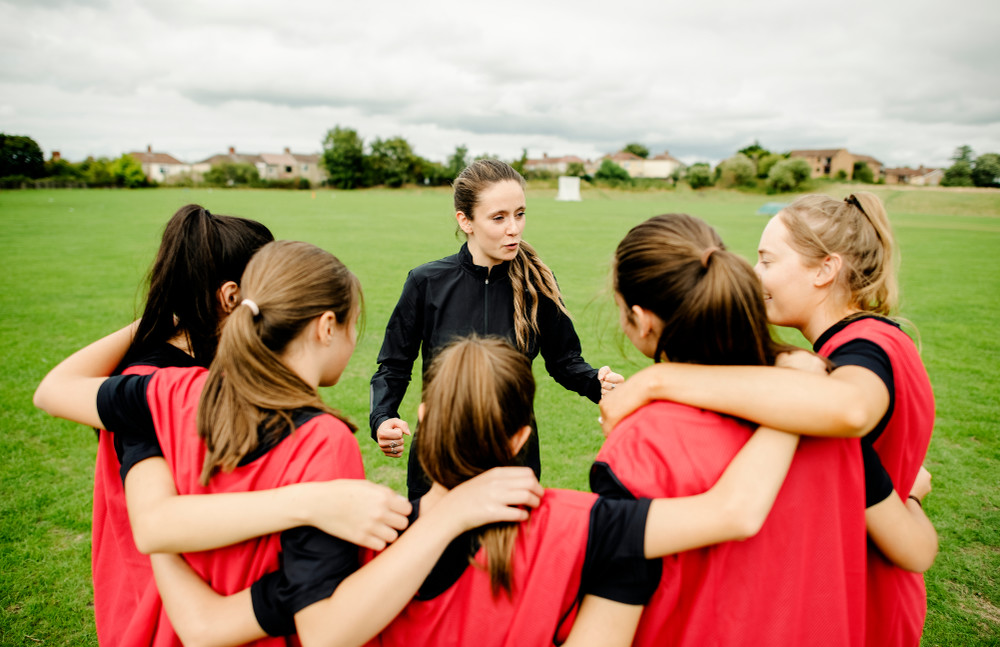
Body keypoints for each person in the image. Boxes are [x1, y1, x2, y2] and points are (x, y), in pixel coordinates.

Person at [144, 335, 803, 647]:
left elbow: (208, 625)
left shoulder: (354, 532)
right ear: (521, 438)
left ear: (424, 419)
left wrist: (151, 504)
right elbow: (735, 511)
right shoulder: (595, 528)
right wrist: (792, 395)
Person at [35, 241, 541, 647]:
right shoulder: (323, 441)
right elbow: (324, 627)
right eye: (351, 326)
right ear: (326, 327)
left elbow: (55, 390)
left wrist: (164, 318)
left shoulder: (166, 389)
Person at [598, 197, 936, 646]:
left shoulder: (850, 363)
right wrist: (904, 487)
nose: (753, 275)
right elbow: (908, 528)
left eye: (767, 259)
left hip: (857, 597)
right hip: (839, 600)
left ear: (825, 270)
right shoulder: (847, 358)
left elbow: (849, 410)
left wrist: (659, 380)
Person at [369, 158, 623, 498]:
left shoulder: (538, 285)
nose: (514, 228)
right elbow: (394, 365)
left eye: (520, 214)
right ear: (466, 220)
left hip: (514, 458)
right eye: (499, 217)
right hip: (439, 461)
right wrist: (383, 416)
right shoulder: (426, 282)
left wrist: (598, 385)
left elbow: (564, 362)